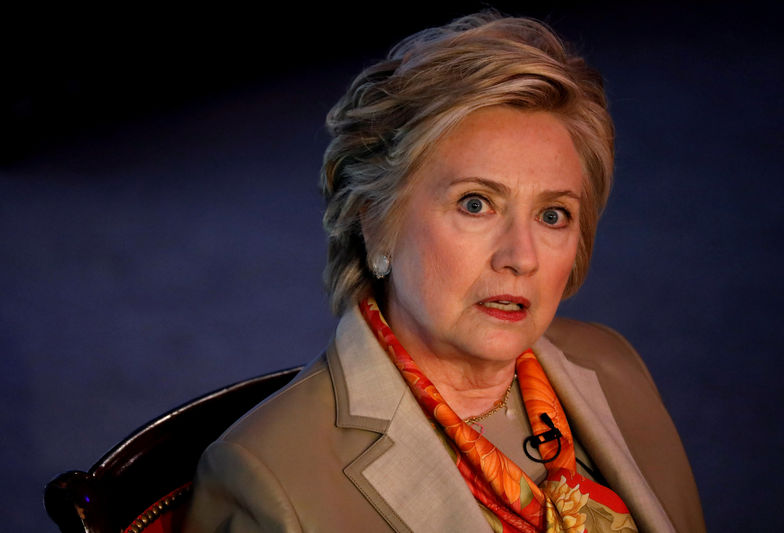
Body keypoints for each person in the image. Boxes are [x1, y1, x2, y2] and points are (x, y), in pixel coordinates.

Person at [184, 10, 705, 533]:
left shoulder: (611, 364)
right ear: (375, 222)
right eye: (475, 204)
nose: (521, 257)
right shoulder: (266, 477)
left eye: (552, 215)